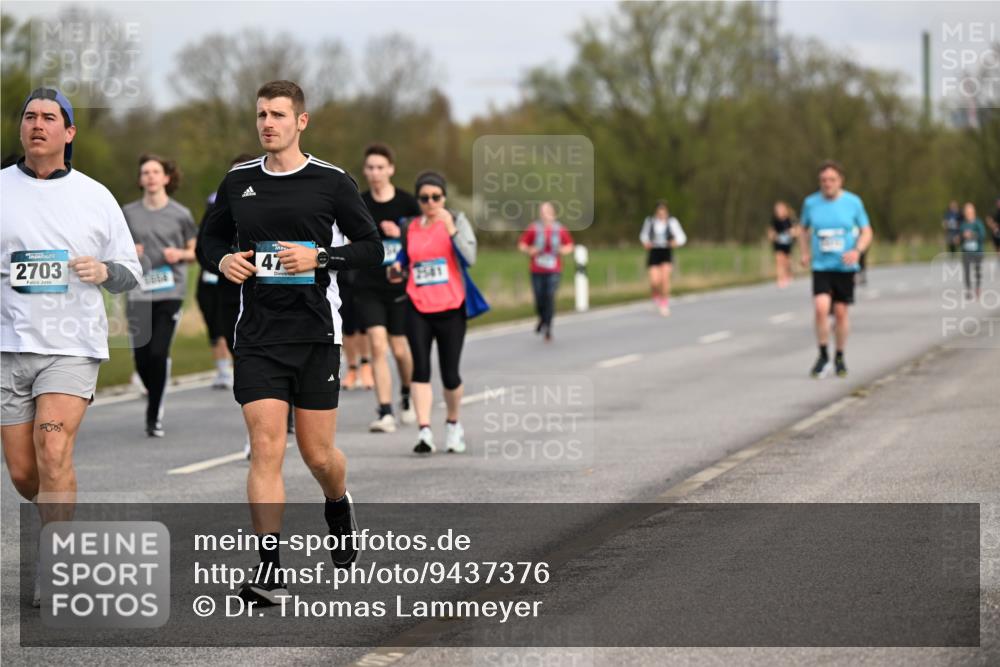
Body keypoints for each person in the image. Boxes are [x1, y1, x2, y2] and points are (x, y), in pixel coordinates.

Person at [200, 80, 382, 605]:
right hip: (257, 336)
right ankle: (270, 570)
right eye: (260, 114)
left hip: (315, 336)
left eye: (278, 114)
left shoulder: (331, 182)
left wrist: (321, 259)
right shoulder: (237, 183)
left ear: (301, 121)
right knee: (265, 448)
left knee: (319, 454)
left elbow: (374, 249)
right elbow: (209, 240)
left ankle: (339, 502)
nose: (267, 123)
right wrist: (223, 260)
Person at [1, 88, 141, 606]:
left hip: (71, 346)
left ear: (69, 132)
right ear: (21, 129)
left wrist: (105, 270)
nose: (37, 124)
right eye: (29, 117)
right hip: (8, 345)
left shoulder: (95, 195)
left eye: (49, 118)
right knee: (24, 473)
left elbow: (131, 273)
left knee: (53, 447)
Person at [388, 171, 478, 455]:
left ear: (444, 197)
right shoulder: (410, 227)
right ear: (418, 200)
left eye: (436, 197)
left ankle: (453, 425)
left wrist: (451, 228)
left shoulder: (457, 221)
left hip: (451, 307)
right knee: (421, 370)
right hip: (418, 306)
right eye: (424, 198)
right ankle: (424, 431)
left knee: (450, 374)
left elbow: (470, 258)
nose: (430, 203)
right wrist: (396, 270)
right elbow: (403, 259)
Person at [122, 154, 197, 437]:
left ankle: (154, 415)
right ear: (140, 179)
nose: (151, 176)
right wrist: (129, 252)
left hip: (170, 291)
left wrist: (179, 254)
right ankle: (155, 393)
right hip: (139, 291)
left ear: (167, 178)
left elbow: (195, 251)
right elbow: (114, 249)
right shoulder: (127, 213)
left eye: (156, 172)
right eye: (145, 172)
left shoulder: (181, 214)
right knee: (142, 359)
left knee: (158, 351)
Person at [356, 143, 420, 433]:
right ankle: (385, 411)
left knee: (400, 348)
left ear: (391, 169)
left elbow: (424, 239)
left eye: (380, 167)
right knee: (378, 346)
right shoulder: (359, 203)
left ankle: (407, 392)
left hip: (401, 285)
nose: (375, 173)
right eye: (370, 167)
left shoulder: (408, 203)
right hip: (368, 285)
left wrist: (402, 232)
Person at [799, 160, 873, 379]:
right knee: (821, 308)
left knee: (840, 313)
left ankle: (839, 355)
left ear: (840, 180)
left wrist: (857, 250)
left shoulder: (853, 203)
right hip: (821, 265)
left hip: (845, 265)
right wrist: (804, 252)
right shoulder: (811, 203)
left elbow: (867, 231)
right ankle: (823, 355)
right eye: (823, 180)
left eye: (831, 180)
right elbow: (802, 229)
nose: (827, 184)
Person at [195, 155, 256, 389]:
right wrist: (225, 264)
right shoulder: (216, 209)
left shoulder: (273, 205)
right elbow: (203, 249)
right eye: (233, 174)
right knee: (240, 353)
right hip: (229, 291)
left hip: (268, 290)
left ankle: (285, 411)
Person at [517, 201, 574, 341]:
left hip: (554, 268)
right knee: (539, 298)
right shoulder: (533, 228)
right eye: (542, 212)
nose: (545, 215)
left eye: (547, 212)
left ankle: (548, 326)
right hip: (537, 269)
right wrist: (530, 250)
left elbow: (570, 245)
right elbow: (522, 244)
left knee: (549, 296)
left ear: (553, 213)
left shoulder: (560, 229)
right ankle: (542, 319)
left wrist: (562, 250)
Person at [639, 200, 687, 316]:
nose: (661, 215)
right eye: (659, 213)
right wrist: (646, 242)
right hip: (654, 252)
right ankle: (656, 297)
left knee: (665, 279)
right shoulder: (650, 221)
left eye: (663, 213)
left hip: (666, 251)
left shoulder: (672, 222)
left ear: (666, 212)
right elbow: (643, 235)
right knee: (654, 281)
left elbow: (682, 237)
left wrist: (675, 242)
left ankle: (664, 303)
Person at [958, 202, 986, 299]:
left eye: (970, 211)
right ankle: (968, 290)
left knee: (977, 271)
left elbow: (983, 236)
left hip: (977, 251)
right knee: (967, 271)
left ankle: (978, 287)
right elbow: (959, 238)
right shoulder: (963, 225)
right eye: (966, 212)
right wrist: (961, 237)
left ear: (973, 212)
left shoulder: (978, 223)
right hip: (966, 252)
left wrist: (972, 235)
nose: (968, 213)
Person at [767, 201, 797, 289]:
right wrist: (773, 236)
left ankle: (788, 274)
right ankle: (780, 278)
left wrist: (791, 233)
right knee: (778, 259)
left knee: (787, 260)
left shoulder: (790, 219)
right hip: (778, 243)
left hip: (787, 243)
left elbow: (796, 230)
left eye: (780, 209)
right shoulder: (774, 220)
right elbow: (771, 231)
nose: (778, 211)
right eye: (777, 209)